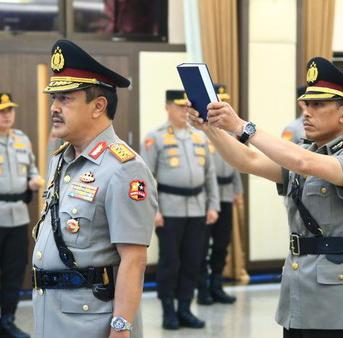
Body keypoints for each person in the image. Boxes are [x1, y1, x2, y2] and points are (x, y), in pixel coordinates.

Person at [189, 57, 343, 338]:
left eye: (318, 105)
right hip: (299, 291)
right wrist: (210, 128)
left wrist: (242, 125)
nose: (306, 112)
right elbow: (248, 161)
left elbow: (303, 163)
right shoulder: (305, 151)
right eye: (306, 104)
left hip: (339, 306)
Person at [31, 39, 157, 338]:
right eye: (54, 98)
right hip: (51, 311)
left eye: (66, 99)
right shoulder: (62, 159)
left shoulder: (124, 168)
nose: (54, 108)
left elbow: (134, 258)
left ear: (98, 106)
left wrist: (121, 327)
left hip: (90, 319)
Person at [141, 89, 219, 330]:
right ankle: (168, 310)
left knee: (193, 261)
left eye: (187, 107)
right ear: (167, 108)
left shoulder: (200, 137)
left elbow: (210, 175)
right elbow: (145, 178)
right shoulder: (155, 138)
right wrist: (153, 211)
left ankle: (185, 308)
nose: (185, 111)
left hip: (197, 209)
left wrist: (213, 204)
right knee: (170, 262)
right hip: (169, 210)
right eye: (179, 107)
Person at [0, 93, 43, 338]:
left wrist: (33, 179)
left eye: (10, 110)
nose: (7, 115)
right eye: (2, 110)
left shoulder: (22, 140)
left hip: (18, 217)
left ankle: (7, 320)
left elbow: (32, 167)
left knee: (15, 272)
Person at [197, 84, 243, 305]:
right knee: (202, 245)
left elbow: (238, 163)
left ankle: (217, 285)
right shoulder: (201, 131)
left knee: (222, 244)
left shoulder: (231, 133)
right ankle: (203, 287)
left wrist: (238, 191)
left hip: (226, 194)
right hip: (206, 197)